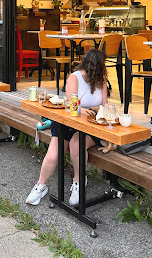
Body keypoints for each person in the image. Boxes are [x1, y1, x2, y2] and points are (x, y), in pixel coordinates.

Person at [26, 49, 108, 206]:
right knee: (53, 155)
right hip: (69, 123)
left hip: (91, 125)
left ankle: (78, 181)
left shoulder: (101, 80)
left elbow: (104, 106)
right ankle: (40, 185)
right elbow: (72, 105)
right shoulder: (74, 78)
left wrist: (93, 112)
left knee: (76, 144)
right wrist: (91, 111)